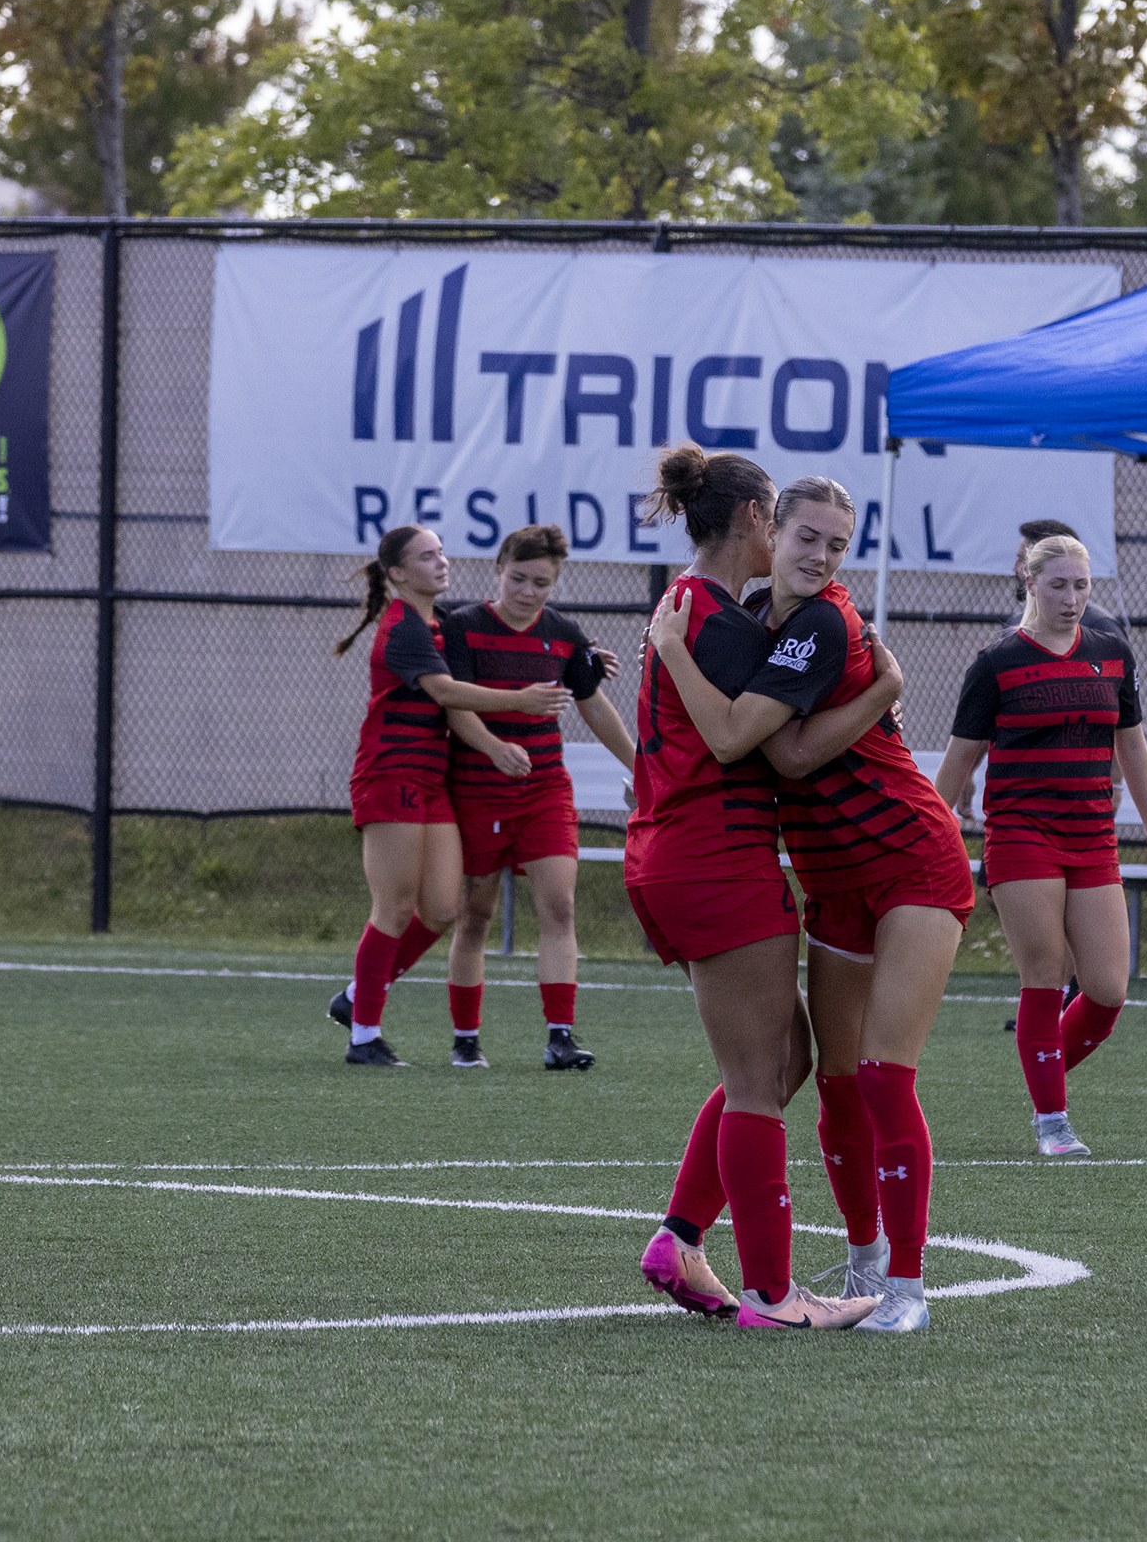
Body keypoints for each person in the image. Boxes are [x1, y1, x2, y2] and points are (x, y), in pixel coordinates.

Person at [627, 444, 897, 1330]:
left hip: (681, 852)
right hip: (718, 856)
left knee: (786, 1062)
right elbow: (750, 740)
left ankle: (679, 1239)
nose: (811, 549)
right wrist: (880, 683)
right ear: (756, 521)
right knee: (757, 1079)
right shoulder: (727, 627)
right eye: (789, 520)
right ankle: (773, 1296)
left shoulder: (693, 606)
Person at [742, 475, 975, 1335]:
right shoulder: (750, 620)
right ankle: (867, 1262)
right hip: (833, 878)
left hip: (914, 860)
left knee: (881, 1074)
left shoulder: (828, 622)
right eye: (808, 537)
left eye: (838, 545)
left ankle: (909, 1288)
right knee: (837, 1083)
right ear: (770, 531)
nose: (821, 556)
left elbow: (793, 759)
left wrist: (880, 693)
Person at [935, 531, 1147, 1157]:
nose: (1071, 598)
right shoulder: (995, 663)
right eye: (1058, 585)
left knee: (1107, 989)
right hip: (1021, 835)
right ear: (1028, 580)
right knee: (1044, 974)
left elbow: (1132, 747)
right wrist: (933, 834)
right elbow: (960, 760)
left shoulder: (1113, 654)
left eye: (1081, 586)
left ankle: (1040, 1070)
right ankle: (1053, 1122)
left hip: (1093, 837)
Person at [326, 525, 573, 1068]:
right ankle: (364, 1035)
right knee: (392, 907)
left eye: (441, 552)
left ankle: (355, 996)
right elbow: (443, 691)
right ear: (396, 573)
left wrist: (581, 655)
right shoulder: (403, 626)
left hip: (430, 779)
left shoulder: (436, 624)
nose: (441, 562)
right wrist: (521, 702)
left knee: (440, 909)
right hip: (390, 774)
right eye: (426, 556)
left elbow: (506, 642)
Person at [435, 525, 635, 1070]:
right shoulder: (463, 627)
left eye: (541, 582)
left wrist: (642, 765)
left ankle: (560, 1037)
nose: (527, 591)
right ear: (498, 569)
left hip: (545, 790)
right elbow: (454, 704)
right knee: (473, 915)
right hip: (477, 792)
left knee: (560, 906)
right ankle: (466, 1039)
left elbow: (593, 706)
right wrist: (494, 746)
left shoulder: (566, 635)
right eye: (519, 577)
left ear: (556, 582)